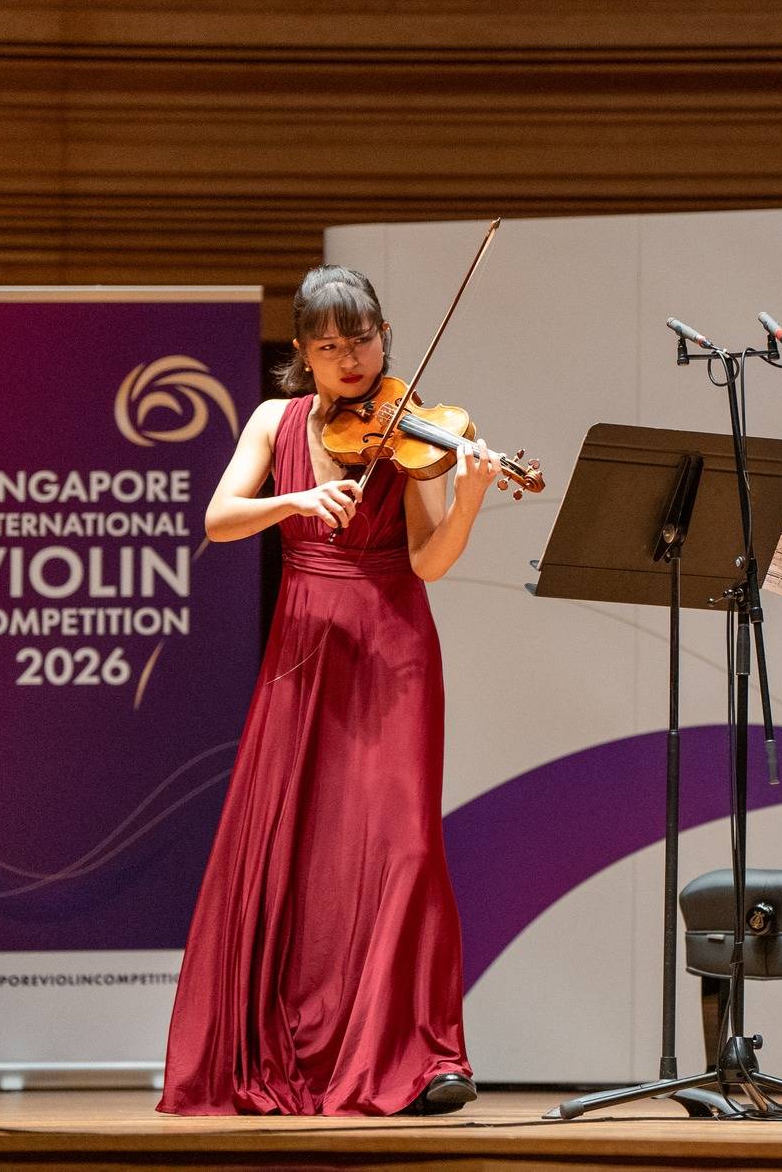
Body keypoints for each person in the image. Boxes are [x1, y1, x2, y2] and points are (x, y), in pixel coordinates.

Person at [159, 264, 499, 1117]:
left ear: (385, 336)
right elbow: (218, 518)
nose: (352, 359)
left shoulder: (413, 424)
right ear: (302, 353)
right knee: (300, 852)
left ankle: (420, 1056)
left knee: (406, 848)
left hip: (393, 645)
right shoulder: (273, 422)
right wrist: (299, 499)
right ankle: (309, 1046)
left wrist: (467, 500)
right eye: (331, 345)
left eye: (364, 340)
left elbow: (427, 559)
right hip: (306, 644)